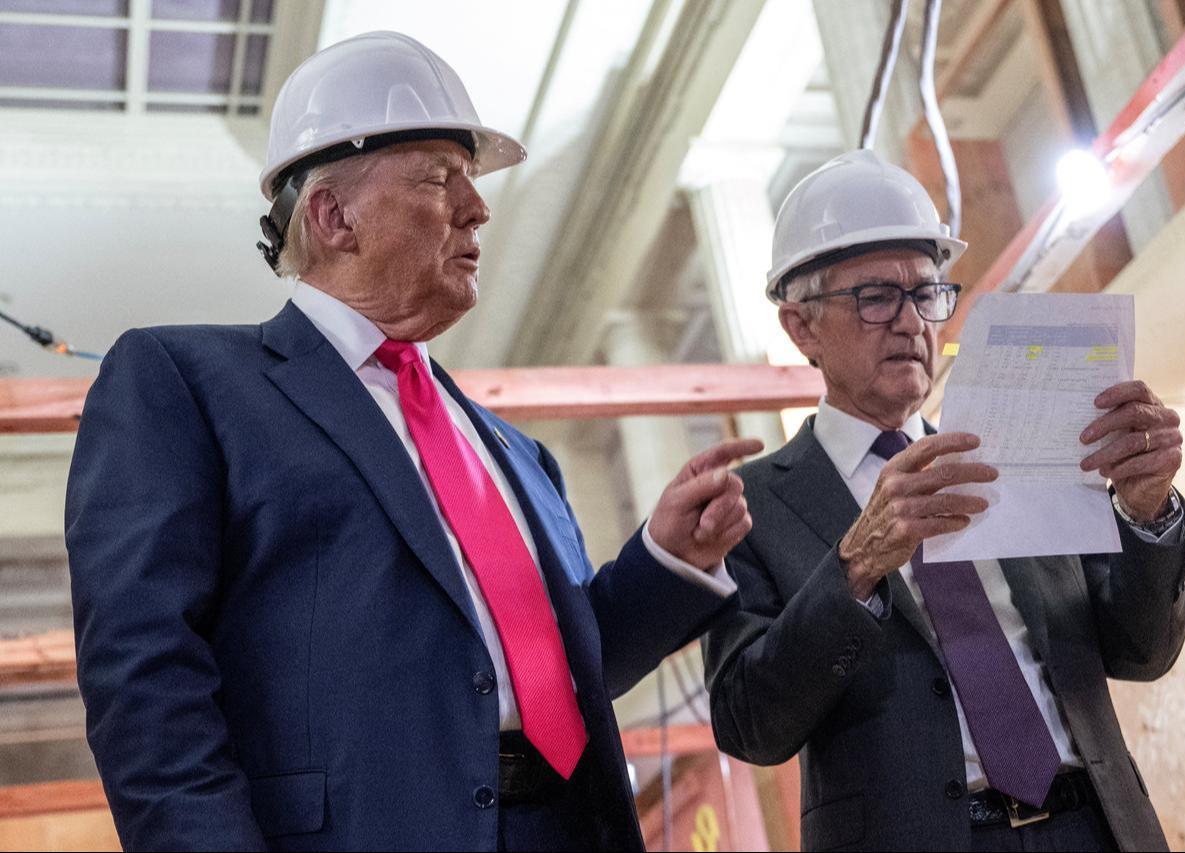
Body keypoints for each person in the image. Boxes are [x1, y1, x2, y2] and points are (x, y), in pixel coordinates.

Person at [66, 32, 759, 851]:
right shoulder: (184, 380)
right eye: (440, 178)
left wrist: (668, 559)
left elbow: (548, 677)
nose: (479, 206)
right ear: (333, 215)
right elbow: (145, 681)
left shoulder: (516, 454)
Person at [702, 150, 1185, 852]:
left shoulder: (1019, 448)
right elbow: (749, 722)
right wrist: (856, 568)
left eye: (928, 293)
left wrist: (1148, 514)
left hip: (1095, 825)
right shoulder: (751, 504)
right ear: (800, 327)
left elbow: (1141, 651)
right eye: (875, 295)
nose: (912, 323)